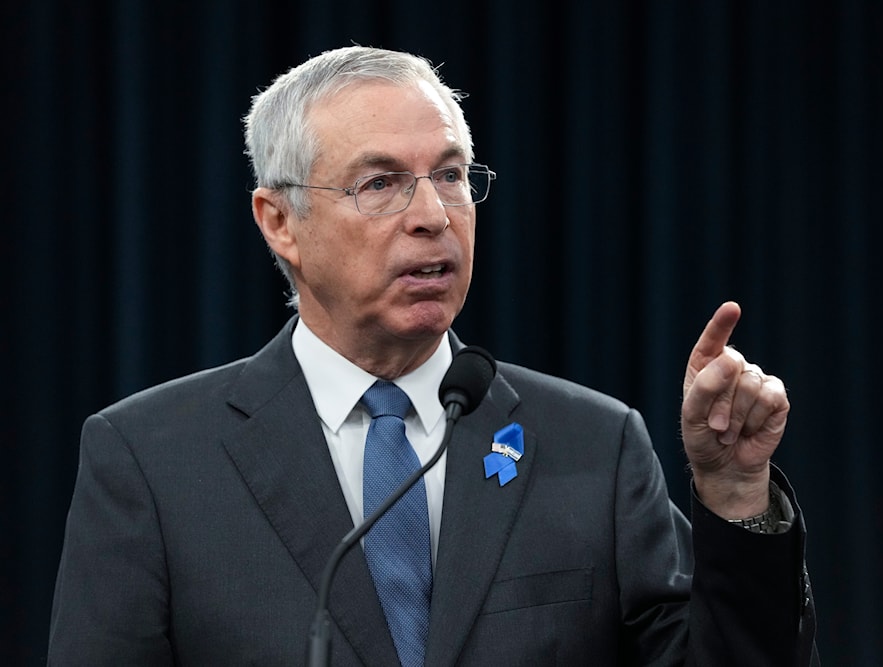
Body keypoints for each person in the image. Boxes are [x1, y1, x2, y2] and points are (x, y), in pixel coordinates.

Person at [48, 46, 818, 665]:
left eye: (450, 175)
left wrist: (734, 493)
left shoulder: (593, 444)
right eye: (380, 182)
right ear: (280, 221)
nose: (433, 215)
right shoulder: (150, 460)